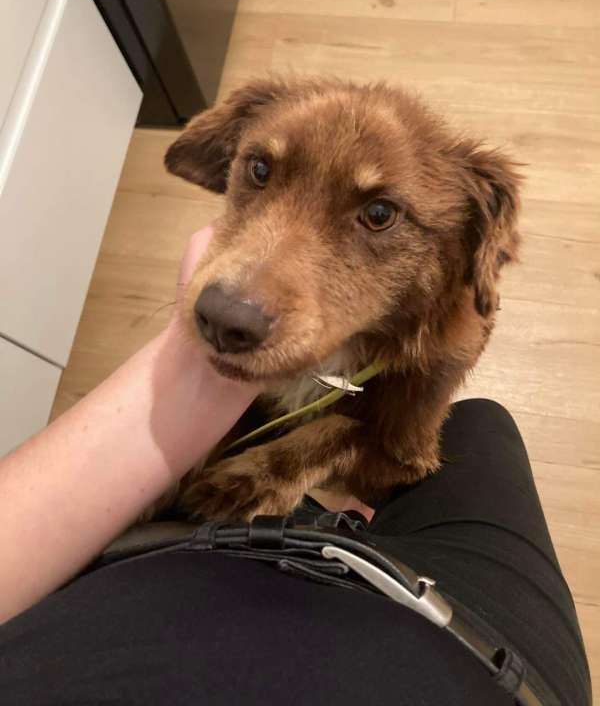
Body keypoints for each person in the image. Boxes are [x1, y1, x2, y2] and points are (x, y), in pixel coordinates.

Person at [0, 228, 591, 706]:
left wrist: (290, 455)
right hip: (477, 653)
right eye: (260, 173)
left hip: (139, 575)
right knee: (481, 426)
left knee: (442, 423)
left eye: (377, 216)